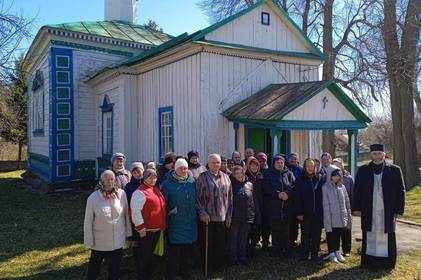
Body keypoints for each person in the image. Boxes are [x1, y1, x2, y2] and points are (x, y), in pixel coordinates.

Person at [353, 144, 405, 270]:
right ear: (371, 154)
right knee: (370, 232)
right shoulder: (363, 169)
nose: (377, 155)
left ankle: (387, 263)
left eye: (379, 153)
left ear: (383, 154)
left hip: (387, 208)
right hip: (368, 208)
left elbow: (401, 191)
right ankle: (369, 262)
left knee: (386, 233)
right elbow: (357, 190)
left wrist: (399, 210)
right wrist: (356, 208)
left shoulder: (394, 169)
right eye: (374, 153)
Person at [84, 170, 132, 280]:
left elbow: (125, 215)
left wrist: (129, 233)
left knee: (115, 268)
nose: (109, 182)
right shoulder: (93, 197)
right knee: (94, 267)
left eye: (111, 179)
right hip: (100, 241)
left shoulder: (121, 194)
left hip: (117, 240)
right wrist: (89, 240)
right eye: (106, 179)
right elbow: (88, 220)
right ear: (101, 181)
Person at [196, 154, 233, 273]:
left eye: (218, 162)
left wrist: (229, 215)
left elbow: (230, 198)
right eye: (213, 162)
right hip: (208, 218)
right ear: (208, 163)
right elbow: (197, 198)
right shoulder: (202, 177)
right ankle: (208, 266)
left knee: (220, 244)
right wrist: (202, 213)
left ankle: (219, 266)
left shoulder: (226, 177)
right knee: (208, 244)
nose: (216, 165)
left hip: (222, 217)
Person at [162, 158, 197, 280]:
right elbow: (163, 204)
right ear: (175, 169)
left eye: (185, 168)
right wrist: (170, 213)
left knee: (186, 251)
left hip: (190, 221)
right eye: (181, 168)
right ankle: (170, 274)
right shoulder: (167, 184)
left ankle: (185, 273)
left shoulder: (192, 182)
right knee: (174, 252)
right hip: (175, 222)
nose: (183, 170)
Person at [131, 169, 166, 280]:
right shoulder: (140, 192)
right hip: (147, 232)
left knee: (152, 256)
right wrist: (141, 228)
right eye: (150, 177)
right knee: (145, 257)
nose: (153, 180)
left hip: (157, 230)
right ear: (144, 178)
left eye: (155, 177)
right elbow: (135, 211)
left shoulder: (155, 189)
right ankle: (143, 276)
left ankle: (149, 275)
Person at [263, 155, 295, 258]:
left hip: (286, 207)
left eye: (281, 163)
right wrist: (277, 194)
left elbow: (294, 186)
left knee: (285, 230)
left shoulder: (289, 173)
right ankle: (276, 250)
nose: (280, 164)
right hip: (273, 207)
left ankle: (285, 249)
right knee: (275, 230)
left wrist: (288, 194)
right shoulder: (268, 173)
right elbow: (266, 187)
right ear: (274, 163)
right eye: (278, 163)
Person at [322, 165, 352, 263]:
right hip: (330, 216)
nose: (337, 177)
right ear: (330, 175)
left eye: (338, 175)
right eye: (334, 175)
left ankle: (337, 251)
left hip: (341, 216)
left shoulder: (342, 187)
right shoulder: (325, 188)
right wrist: (327, 219)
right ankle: (331, 253)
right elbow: (325, 205)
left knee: (338, 235)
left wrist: (347, 215)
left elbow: (346, 202)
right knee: (331, 235)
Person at [295, 159, 323, 262]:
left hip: (318, 213)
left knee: (316, 235)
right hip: (305, 213)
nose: (311, 168)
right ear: (305, 167)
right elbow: (297, 197)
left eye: (312, 166)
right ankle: (304, 255)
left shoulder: (319, 178)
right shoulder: (300, 179)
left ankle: (315, 255)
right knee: (305, 235)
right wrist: (299, 212)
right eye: (308, 166)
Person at [229, 165, 255, 265]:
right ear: (233, 174)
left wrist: (252, 215)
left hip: (247, 217)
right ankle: (234, 260)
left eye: (241, 173)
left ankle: (243, 258)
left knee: (244, 238)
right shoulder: (230, 185)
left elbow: (253, 201)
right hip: (234, 217)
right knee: (234, 239)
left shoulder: (249, 185)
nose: (239, 175)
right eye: (237, 173)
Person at [124, 162, 144, 278]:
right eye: (135, 172)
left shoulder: (147, 183)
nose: (137, 174)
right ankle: (137, 264)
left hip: (146, 219)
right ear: (132, 173)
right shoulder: (129, 186)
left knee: (144, 243)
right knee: (136, 242)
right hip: (134, 219)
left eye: (139, 171)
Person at [333, 157, 354, 256]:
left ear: (342, 165)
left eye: (338, 164)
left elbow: (353, 193)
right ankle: (335, 249)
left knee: (346, 228)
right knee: (336, 230)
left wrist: (353, 208)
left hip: (346, 207)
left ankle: (346, 250)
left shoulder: (348, 178)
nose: (336, 167)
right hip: (334, 209)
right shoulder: (329, 178)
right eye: (334, 165)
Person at [245, 156, 263, 256]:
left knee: (257, 228)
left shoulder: (261, 176)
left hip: (259, 206)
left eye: (256, 166)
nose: (254, 167)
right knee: (248, 229)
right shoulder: (245, 176)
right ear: (249, 166)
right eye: (252, 166)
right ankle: (247, 249)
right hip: (248, 207)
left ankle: (253, 247)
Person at [286, 153, 303, 248]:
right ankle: (287, 239)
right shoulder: (285, 168)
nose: (293, 160)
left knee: (296, 221)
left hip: (297, 198)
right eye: (291, 158)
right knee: (289, 220)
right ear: (288, 159)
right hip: (288, 198)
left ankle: (294, 239)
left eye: (295, 159)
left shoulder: (300, 169)